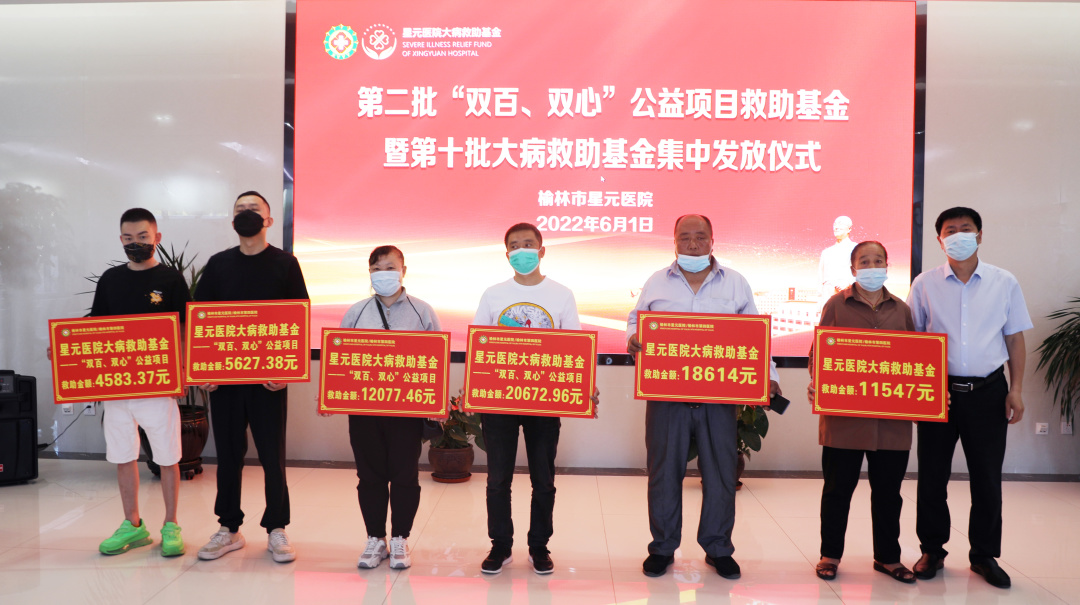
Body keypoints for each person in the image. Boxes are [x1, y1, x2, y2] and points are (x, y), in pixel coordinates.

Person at [627, 214, 781, 579]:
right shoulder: (656, 281)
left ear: (713, 240)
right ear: (674, 242)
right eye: (685, 237)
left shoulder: (736, 282)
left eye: (700, 237)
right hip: (667, 395)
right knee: (664, 472)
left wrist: (769, 376)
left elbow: (755, 335)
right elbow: (636, 321)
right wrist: (633, 339)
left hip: (719, 396)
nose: (693, 244)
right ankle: (662, 548)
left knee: (721, 473)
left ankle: (718, 548)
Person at [906, 207, 1031, 588]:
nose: (958, 235)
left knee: (987, 477)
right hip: (936, 393)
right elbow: (912, 341)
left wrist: (1016, 389)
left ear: (979, 235)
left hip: (989, 392)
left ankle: (984, 555)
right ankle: (932, 550)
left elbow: (1014, 338)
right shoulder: (924, 284)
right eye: (950, 230)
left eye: (966, 229)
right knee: (932, 477)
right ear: (939, 239)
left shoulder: (1003, 281)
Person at [194, 191, 309, 563]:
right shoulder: (218, 265)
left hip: (268, 381)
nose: (246, 214)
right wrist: (203, 372)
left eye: (254, 209)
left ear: (269, 220)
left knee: (273, 456)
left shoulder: (285, 264)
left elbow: (299, 317)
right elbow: (199, 318)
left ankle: (277, 528)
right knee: (228, 456)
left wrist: (288, 372)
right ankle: (228, 528)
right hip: (225, 382)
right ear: (232, 221)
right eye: (240, 210)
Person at [73, 208, 190, 556]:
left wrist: (183, 373)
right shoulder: (110, 279)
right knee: (123, 455)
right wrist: (67, 353)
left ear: (157, 238)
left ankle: (171, 525)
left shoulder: (171, 279)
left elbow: (186, 330)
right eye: (128, 238)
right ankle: (133, 525)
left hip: (159, 384)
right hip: (117, 386)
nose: (135, 243)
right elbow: (94, 329)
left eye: (142, 237)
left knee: (167, 457)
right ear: (120, 239)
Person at [472, 222, 581, 575]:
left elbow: (574, 349)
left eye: (529, 244)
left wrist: (582, 389)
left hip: (544, 400)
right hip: (499, 401)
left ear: (542, 250)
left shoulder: (561, 295)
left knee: (543, 479)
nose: (522, 251)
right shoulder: (493, 295)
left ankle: (539, 547)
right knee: (497, 479)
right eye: (515, 246)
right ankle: (500, 546)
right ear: (507, 255)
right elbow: (479, 346)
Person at [806, 241, 916, 583]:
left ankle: (888, 558)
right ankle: (829, 555)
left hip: (892, 423)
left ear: (887, 266)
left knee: (889, 494)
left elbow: (916, 357)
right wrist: (818, 381)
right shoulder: (836, 305)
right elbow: (818, 354)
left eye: (877, 260)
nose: (871, 267)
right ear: (853, 269)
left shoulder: (902, 310)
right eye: (864, 261)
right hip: (844, 420)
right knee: (837, 491)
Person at [335, 245, 441, 570]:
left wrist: (435, 403)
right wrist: (331, 394)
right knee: (369, 475)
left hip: (406, 413)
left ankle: (400, 539)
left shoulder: (423, 312)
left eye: (390, 267)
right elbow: (340, 360)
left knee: (405, 475)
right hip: (365, 411)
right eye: (377, 269)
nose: (384, 274)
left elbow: (435, 360)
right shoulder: (356, 312)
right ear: (369, 273)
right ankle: (375, 539)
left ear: (403, 271)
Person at [819, 216, 858, 297]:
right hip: (828, 298)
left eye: (841, 224)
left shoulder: (857, 249)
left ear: (849, 229)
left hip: (848, 297)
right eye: (835, 224)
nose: (836, 227)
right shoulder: (826, 253)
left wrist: (848, 283)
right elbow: (820, 278)